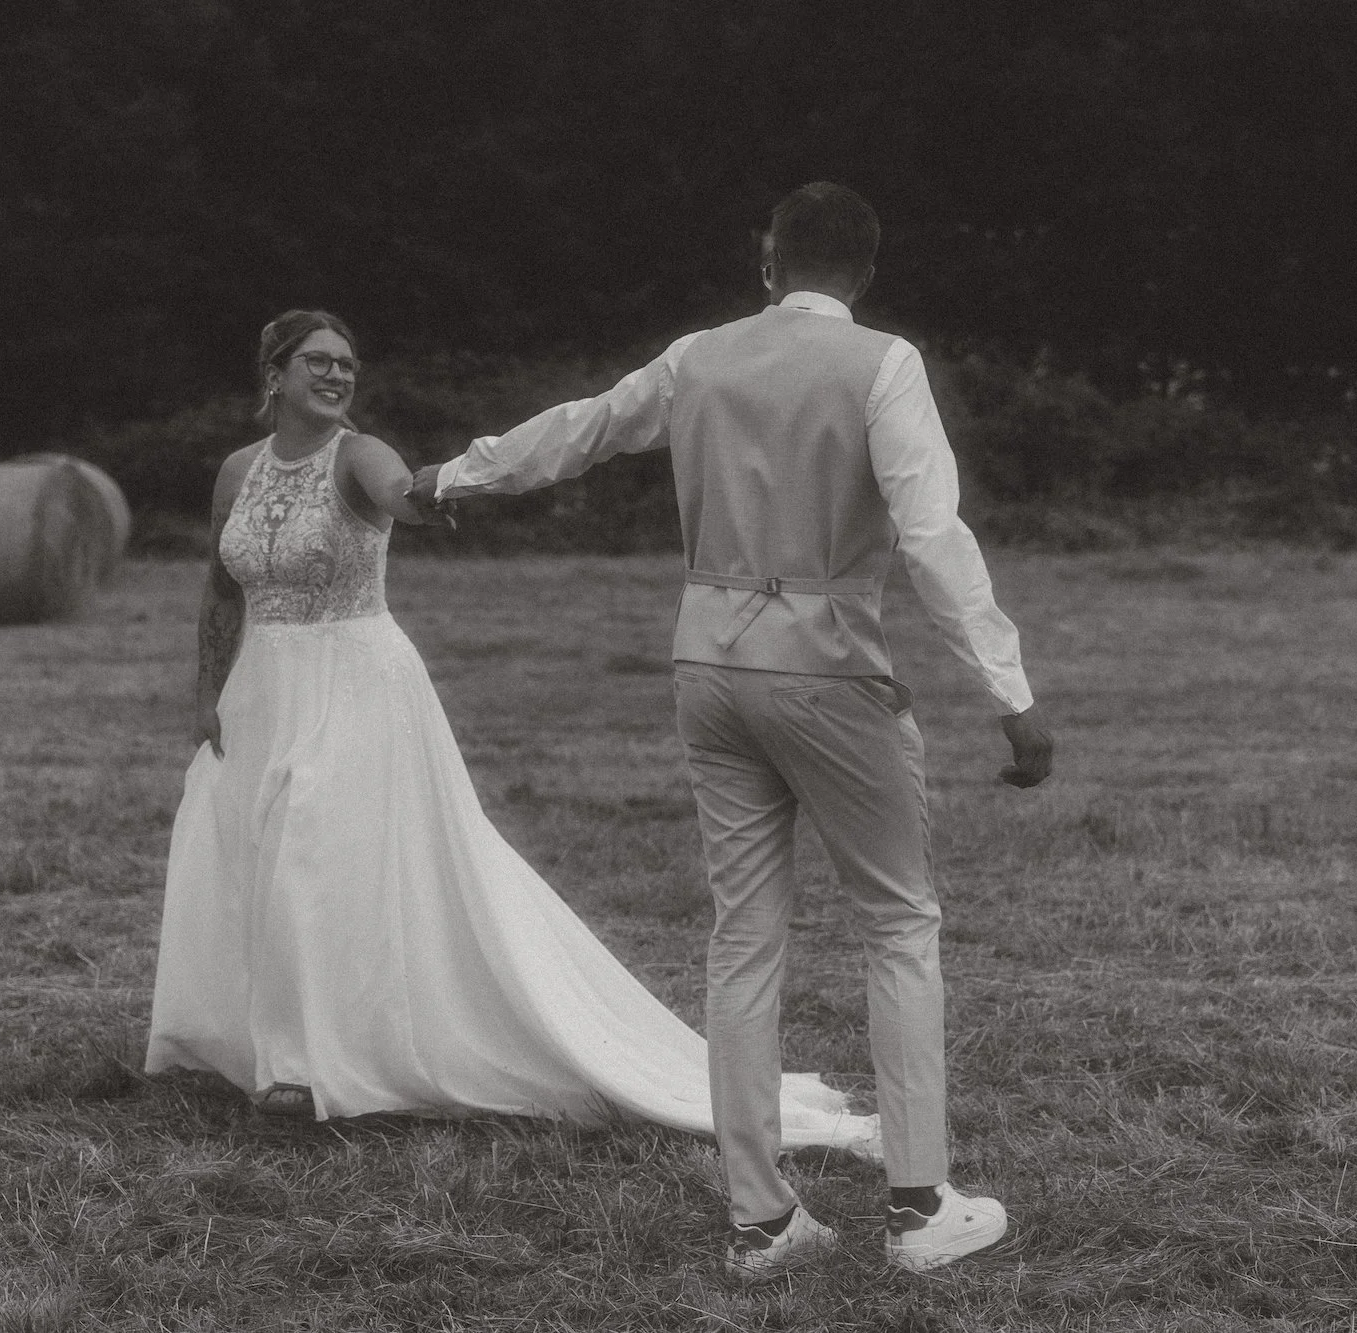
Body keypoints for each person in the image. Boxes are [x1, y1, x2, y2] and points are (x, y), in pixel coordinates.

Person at [409, 183, 1054, 1276]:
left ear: (768, 262)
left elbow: (580, 430)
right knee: (897, 924)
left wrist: (453, 474)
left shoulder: (698, 355)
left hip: (704, 666)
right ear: (864, 270)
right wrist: (1009, 690)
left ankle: (760, 1220)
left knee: (742, 938)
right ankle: (916, 1204)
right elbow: (932, 536)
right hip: (829, 670)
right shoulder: (882, 364)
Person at [144, 310, 879, 1163]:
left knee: (311, 848)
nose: (339, 375)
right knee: (251, 851)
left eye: (349, 363)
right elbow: (221, 587)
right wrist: (207, 693)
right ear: (274, 373)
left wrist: (441, 493)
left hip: (355, 680)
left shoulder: (361, 455)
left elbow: (398, 496)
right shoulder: (239, 471)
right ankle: (258, 1039)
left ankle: (311, 1063)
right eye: (319, 361)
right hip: (262, 684)